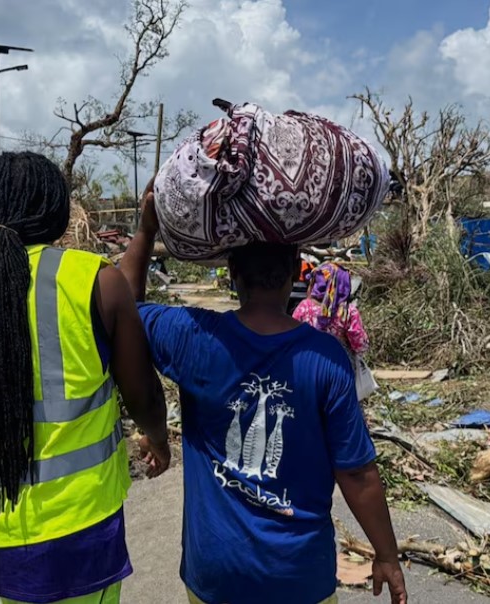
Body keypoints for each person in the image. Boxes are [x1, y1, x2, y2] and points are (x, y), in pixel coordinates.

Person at [0, 152, 171, 604]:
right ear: (59, 214)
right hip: (80, 524)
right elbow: (142, 394)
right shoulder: (91, 279)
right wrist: (158, 439)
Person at [119, 181, 407, 604]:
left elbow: (123, 312)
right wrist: (386, 556)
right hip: (298, 577)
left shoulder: (194, 337)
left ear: (232, 272)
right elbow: (357, 473)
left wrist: (146, 231)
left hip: (216, 575)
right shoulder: (325, 357)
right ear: (295, 271)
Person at [292, 263, 376, 401]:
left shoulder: (303, 307)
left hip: (308, 367)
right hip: (340, 368)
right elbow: (360, 344)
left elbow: (292, 337)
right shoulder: (347, 311)